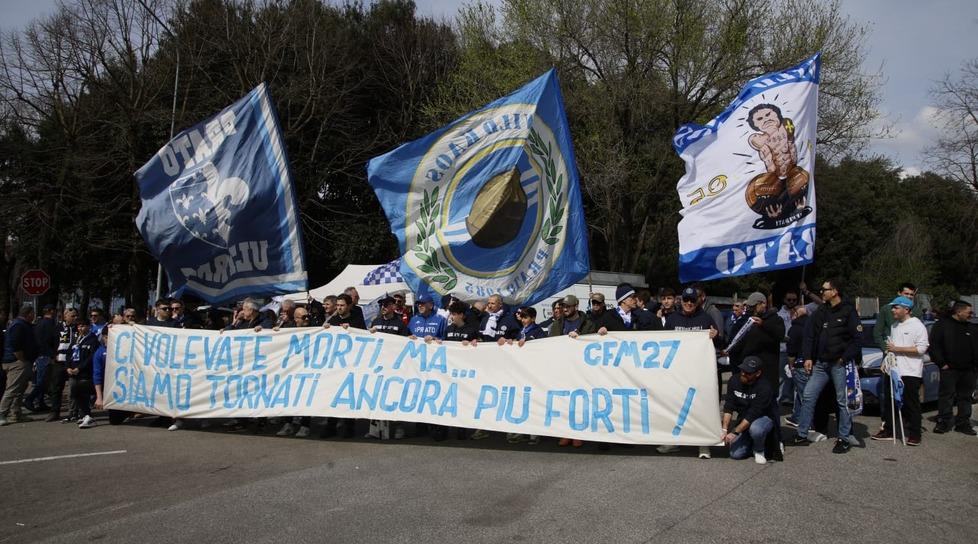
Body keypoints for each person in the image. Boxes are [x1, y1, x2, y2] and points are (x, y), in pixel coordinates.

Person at [791, 278, 861, 454]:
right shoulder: (821, 311)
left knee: (842, 401)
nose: (822, 292)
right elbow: (810, 335)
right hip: (821, 363)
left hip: (839, 363)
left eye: (825, 289)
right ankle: (802, 434)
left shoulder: (848, 310)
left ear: (835, 291)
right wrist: (808, 357)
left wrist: (844, 358)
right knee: (808, 395)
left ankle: (844, 437)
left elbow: (857, 338)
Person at [662, 287, 719, 458]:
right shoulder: (672, 319)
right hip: (678, 372)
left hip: (699, 371)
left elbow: (721, 343)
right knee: (675, 406)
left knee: (701, 406)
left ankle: (703, 444)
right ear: (681, 301)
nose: (688, 303)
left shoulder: (706, 318)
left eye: (692, 301)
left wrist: (715, 335)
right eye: (686, 300)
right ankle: (673, 442)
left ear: (698, 302)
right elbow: (662, 342)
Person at [871, 296, 929, 445]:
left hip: (910, 371)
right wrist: (886, 361)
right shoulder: (895, 326)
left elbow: (921, 349)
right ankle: (889, 429)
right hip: (895, 370)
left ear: (906, 310)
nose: (893, 310)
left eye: (896, 307)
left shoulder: (917, 326)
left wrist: (898, 349)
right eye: (893, 307)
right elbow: (891, 348)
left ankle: (915, 434)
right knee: (891, 402)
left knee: (911, 403)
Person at [929, 300, 978, 435]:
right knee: (946, 396)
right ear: (959, 311)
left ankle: (963, 423)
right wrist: (941, 363)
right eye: (969, 312)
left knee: (966, 397)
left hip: (969, 370)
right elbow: (934, 345)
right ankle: (943, 422)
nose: (971, 315)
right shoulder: (942, 325)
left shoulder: (972, 327)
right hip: (949, 369)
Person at [722, 357, 776, 464]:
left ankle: (759, 450)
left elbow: (753, 414)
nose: (743, 374)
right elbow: (729, 406)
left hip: (762, 418)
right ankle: (751, 440)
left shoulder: (765, 387)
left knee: (756, 429)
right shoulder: (734, 380)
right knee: (735, 455)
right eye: (742, 370)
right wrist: (724, 429)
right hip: (744, 418)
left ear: (758, 373)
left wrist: (735, 432)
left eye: (748, 373)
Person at [727, 292, 784, 392]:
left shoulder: (775, 319)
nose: (752, 309)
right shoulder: (748, 320)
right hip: (750, 370)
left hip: (767, 370)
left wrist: (763, 324)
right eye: (750, 306)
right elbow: (740, 339)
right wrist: (729, 349)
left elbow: (780, 334)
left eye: (754, 306)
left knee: (767, 400)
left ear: (763, 304)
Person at [0, 305, 38, 426]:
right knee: (12, 389)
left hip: (22, 361)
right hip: (16, 362)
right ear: (28, 314)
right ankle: (2, 413)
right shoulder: (18, 325)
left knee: (20, 389)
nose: (34, 316)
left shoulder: (24, 325)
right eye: (33, 313)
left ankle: (15, 413)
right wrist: (21, 359)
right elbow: (16, 345)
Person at [24, 304, 58, 413]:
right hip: (45, 355)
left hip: (40, 355)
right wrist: (52, 354)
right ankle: (30, 399)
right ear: (51, 311)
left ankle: (40, 402)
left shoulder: (39, 323)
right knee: (43, 381)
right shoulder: (49, 324)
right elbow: (49, 340)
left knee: (43, 381)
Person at [46, 307, 78, 422]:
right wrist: (52, 355)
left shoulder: (78, 328)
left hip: (73, 362)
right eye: (72, 316)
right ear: (65, 316)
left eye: (75, 316)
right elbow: (47, 343)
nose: (75, 318)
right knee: (56, 388)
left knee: (74, 388)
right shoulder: (57, 328)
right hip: (59, 362)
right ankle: (54, 412)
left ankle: (74, 412)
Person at [67, 319, 100, 429]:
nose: (80, 329)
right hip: (73, 370)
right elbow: (69, 353)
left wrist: (79, 368)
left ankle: (86, 414)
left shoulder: (93, 340)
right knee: (74, 392)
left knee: (84, 392)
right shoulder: (76, 339)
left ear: (88, 326)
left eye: (83, 326)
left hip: (85, 372)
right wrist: (68, 366)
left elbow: (91, 357)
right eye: (79, 326)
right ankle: (82, 413)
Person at [784, 305, 810, 427]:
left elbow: (791, 350)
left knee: (804, 394)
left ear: (795, 314)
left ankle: (807, 422)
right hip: (812, 363)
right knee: (802, 393)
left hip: (799, 364)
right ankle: (797, 417)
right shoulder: (813, 326)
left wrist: (790, 365)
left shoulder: (794, 329)